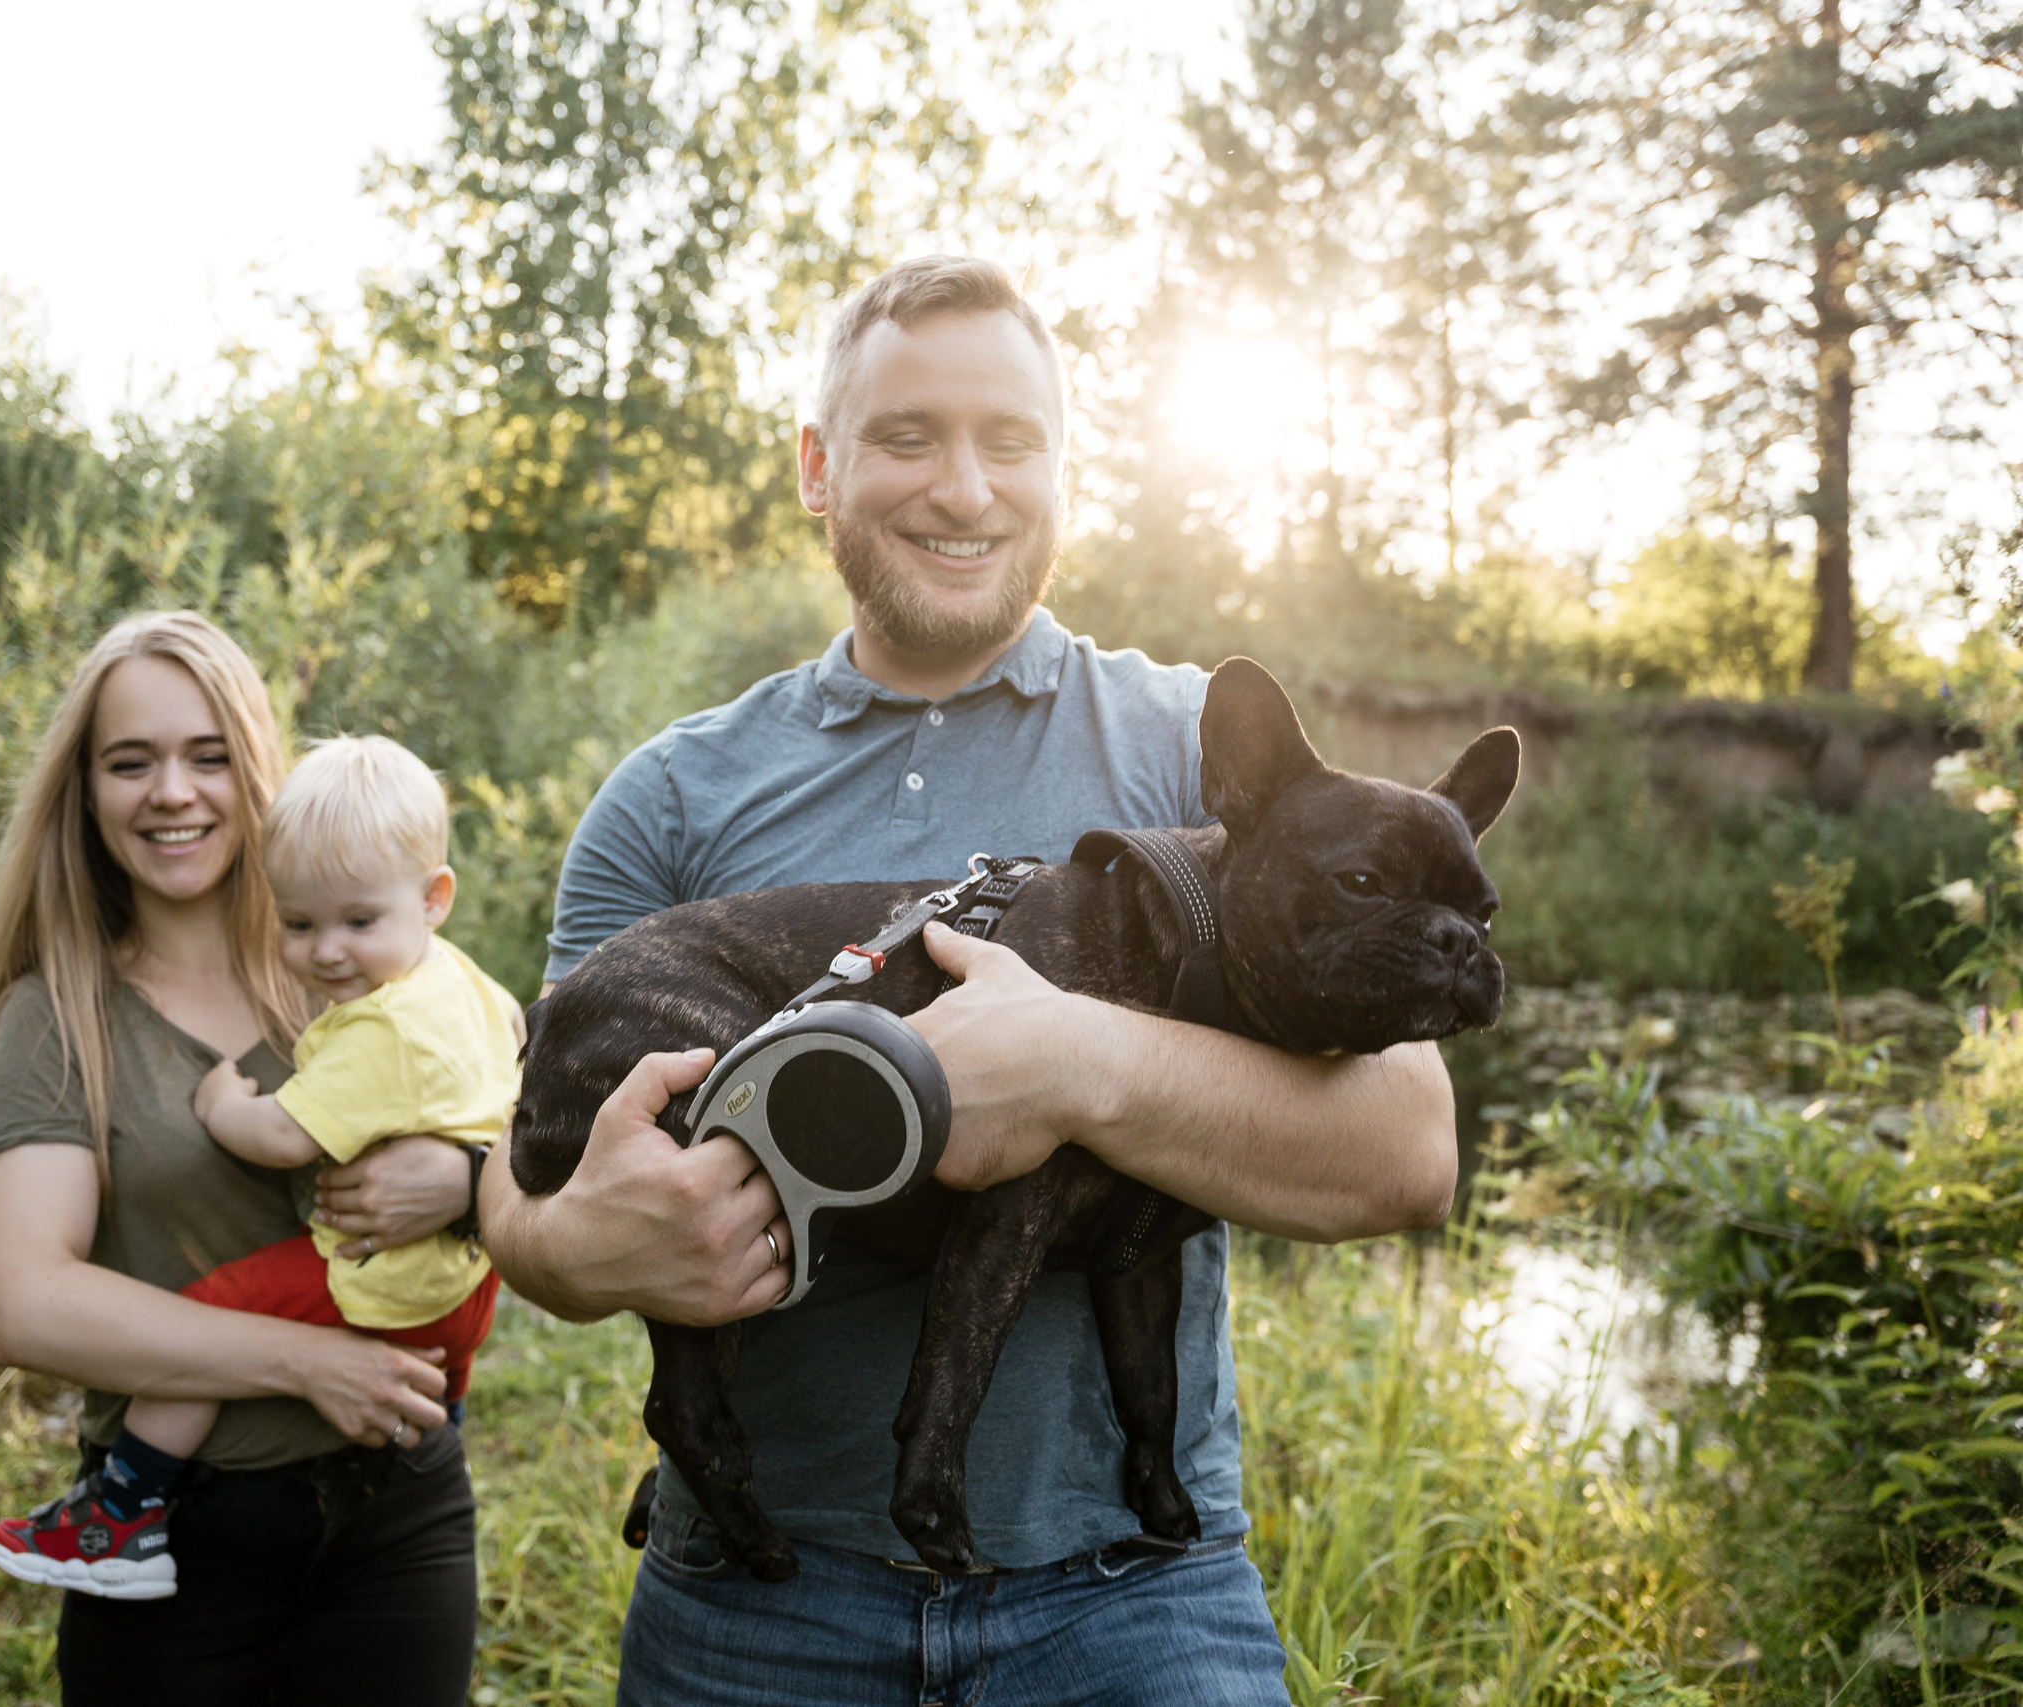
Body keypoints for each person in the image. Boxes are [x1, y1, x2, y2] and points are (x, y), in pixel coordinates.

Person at [479, 256, 1460, 1706]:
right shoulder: (671, 798)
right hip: (755, 1603)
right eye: (906, 436)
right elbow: (522, 1171)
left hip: (1139, 1597)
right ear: (819, 467)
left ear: (1066, 468)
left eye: (1010, 440)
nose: (964, 487)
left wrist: (1074, 1063)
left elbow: (1408, 1150)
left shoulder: (1209, 754)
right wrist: (571, 1249)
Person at [0, 613, 483, 1704]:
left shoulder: (360, 962)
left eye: (206, 756)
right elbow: (27, 1305)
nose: (172, 792)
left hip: (401, 1520)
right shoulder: (60, 1019)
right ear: (86, 791)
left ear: (255, 775)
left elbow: (522, 1128)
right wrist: (306, 1363)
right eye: (129, 761)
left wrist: (469, 1181)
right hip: (172, 1547)